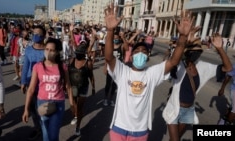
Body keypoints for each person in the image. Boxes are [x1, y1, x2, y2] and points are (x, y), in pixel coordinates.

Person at [104, 3, 194, 141]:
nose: (140, 53)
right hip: (119, 128)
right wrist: (110, 31)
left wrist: (182, 37)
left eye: (144, 51)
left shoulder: (152, 74)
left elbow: (173, 61)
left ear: (147, 57)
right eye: (137, 51)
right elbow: (109, 57)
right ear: (132, 55)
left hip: (140, 132)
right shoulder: (123, 71)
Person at [162, 31, 232, 140]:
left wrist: (220, 49)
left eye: (198, 51)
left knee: (176, 138)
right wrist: (183, 41)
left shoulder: (203, 67)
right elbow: (168, 62)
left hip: (188, 110)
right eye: (192, 50)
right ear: (186, 51)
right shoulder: (179, 64)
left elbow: (228, 68)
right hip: (174, 108)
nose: (195, 53)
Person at [22, 38, 71, 141]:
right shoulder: (38, 67)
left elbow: (68, 86)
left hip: (58, 104)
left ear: (57, 52)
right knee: (46, 134)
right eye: (47, 49)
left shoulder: (63, 67)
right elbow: (30, 89)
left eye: (52, 50)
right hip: (42, 103)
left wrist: (72, 104)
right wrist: (26, 109)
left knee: (53, 135)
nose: (48, 52)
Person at [21, 25, 46, 140]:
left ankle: (44, 129)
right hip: (31, 84)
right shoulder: (29, 49)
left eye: (38, 34)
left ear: (44, 36)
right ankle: (37, 128)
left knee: (42, 110)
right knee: (33, 110)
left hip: (43, 86)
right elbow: (26, 66)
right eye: (34, 33)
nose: (35, 36)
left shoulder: (48, 51)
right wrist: (23, 81)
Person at [68, 42, 95, 136]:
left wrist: (93, 88)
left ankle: (78, 127)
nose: (78, 54)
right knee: (73, 105)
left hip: (83, 87)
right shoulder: (72, 60)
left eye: (80, 52)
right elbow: (67, 74)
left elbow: (91, 76)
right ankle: (76, 116)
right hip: (73, 87)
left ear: (84, 53)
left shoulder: (88, 63)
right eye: (77, 52)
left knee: (79, 107)